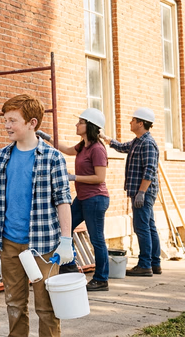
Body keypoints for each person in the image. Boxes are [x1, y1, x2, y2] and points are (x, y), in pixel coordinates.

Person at [0, 94, 73, 337]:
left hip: (44, 245)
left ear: (32, 123)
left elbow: (63, 200)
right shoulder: (2, 156)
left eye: (13, 120)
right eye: (5, 120)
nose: (7, 125)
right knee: (14, 304)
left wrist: (66, 241)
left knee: (46, 307)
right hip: (9, 243)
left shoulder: (53, 158)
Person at [41, 109, 110, 291]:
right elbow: (65, 149)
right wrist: (46, 137)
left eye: (80, 122)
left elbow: (99, 177)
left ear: (90, 126)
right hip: (83, 198)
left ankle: (102, 279)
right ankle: (69, 265)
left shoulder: (97, 149)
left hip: (95, 199)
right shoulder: (83, 146)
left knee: (97, 239)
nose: (76, 124)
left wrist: (74, 177)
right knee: (64, 227)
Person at [100, 107, 161, 277]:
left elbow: (149, 170)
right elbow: (121, 147)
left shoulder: (148, 143)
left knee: (141, 227)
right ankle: (155, 263)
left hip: (143, 192)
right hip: (140, 191)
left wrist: (141, 192)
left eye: (133, 120)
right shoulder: (138, 141)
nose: (130, 122)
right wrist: (105, 138)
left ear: (141, 123)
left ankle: (145, 265)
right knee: (149, 226)